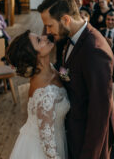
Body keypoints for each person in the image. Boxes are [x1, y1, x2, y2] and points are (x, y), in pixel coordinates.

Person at [38, 0, 114, 159]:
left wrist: (89, 154)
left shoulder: (95, 50)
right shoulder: (72, 37)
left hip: (88, 137)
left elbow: (100, 111)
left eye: (50, 25)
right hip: (75, 128)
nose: (48, 31)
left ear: (66, 19)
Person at [7, 30, 70, 159]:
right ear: (33, 55)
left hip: (57, 138)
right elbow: (48, 147)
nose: (45, 37)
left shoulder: (51, 69)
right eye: (39, 40)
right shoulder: (44, 92)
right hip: (40, 150)